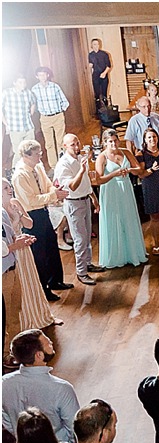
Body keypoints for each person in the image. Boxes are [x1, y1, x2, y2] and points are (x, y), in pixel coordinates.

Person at [11, 139, 71, 302]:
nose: (40, 156)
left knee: (51, 247)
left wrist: (54, 192)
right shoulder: (20, 175)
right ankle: (44, 289)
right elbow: (30, 201)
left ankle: (56, 281)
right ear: (26, 155)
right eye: (37, 154)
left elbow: (48, 185)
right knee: (40, 254)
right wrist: (53, 196)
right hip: (32, 217)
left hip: (43, 212)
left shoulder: (38, 167)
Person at [2, 179, 62, 329]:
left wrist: (20, 214)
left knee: (32, 282)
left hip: (24, 248)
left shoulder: (15, 202)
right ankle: (24, 322)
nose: (9, 189)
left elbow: (30, 224)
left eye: (9, 186)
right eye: (5, 188)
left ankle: (40, 315)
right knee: (19, 288)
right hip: (13, 251)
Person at [2, 329, 80, 443]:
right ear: (39, 355)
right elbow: (75, 430)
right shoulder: (61, 389)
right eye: (48, 342)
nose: (52, 343)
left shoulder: (4, 383)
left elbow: (6, 420)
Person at [54, 134, 105, 285]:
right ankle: (81, 272)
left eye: (78, 143)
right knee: (80, 239)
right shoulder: (63, 165)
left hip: (85, 200)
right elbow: (72, 186)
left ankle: (88, 264)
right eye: (73, 145)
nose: (77, 147)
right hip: (73, 204)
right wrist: (81, 171)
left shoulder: (79, 158)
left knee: (87, 235)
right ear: (64, 146)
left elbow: (86, 183)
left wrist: (94, 199)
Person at [95, 129, 148, 268]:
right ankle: (116, 256)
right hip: (111, 191)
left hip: (126, 189)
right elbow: (99, 180)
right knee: (114, 220)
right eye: (110, 141)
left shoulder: (126, 152)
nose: (114, 144)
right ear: (105, 143)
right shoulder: (102, 157)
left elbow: (139, 170)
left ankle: (132, 253)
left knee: (128, 218)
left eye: (115, 140)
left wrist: (129, 170)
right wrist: (114, 174)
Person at [2, 206, 36, 344]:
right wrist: (15, 246)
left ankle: (15, 348)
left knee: (15, 311)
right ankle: (5, 354)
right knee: (4, 317)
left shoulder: (2, 211)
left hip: (11, 268)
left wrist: (19, 239)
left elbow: (8, 235)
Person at [30, 67, 69, 170]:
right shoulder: (34, 89)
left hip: (57, 116)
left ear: (47, 75)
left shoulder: (55, 87)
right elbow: (33, 104)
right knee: (49, 143)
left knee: (61, 141)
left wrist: (61, 110)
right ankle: (54, 165)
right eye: (40, 75)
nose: (42, 77)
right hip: (45, 118)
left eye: (44, 74)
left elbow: (64, 101)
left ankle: (64, 162)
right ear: (36, 76)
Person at [2, 75, 36, 173]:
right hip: (15, 128)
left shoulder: (28, 93)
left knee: (32, 150)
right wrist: (5, 123)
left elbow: (33, 103)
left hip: (28, 126)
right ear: (15, 83)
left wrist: (31, 114)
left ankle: (31, 171)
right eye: (20, 82)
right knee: (19, 152)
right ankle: (14, 172)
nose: (23, 85)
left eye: (24, 82)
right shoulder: (7, 93)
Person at [88, 39, 111, 108]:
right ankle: (99, 111)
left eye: (97, 44)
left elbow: (108, 66)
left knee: (104, 93)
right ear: (92, 45)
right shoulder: (90, 55)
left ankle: (106, 111)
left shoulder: (104, 54)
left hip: (104, 75)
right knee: (97, 94)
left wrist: (104, 73)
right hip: (95, 75)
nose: (96, 46)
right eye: (94, 44)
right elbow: (90, 65)